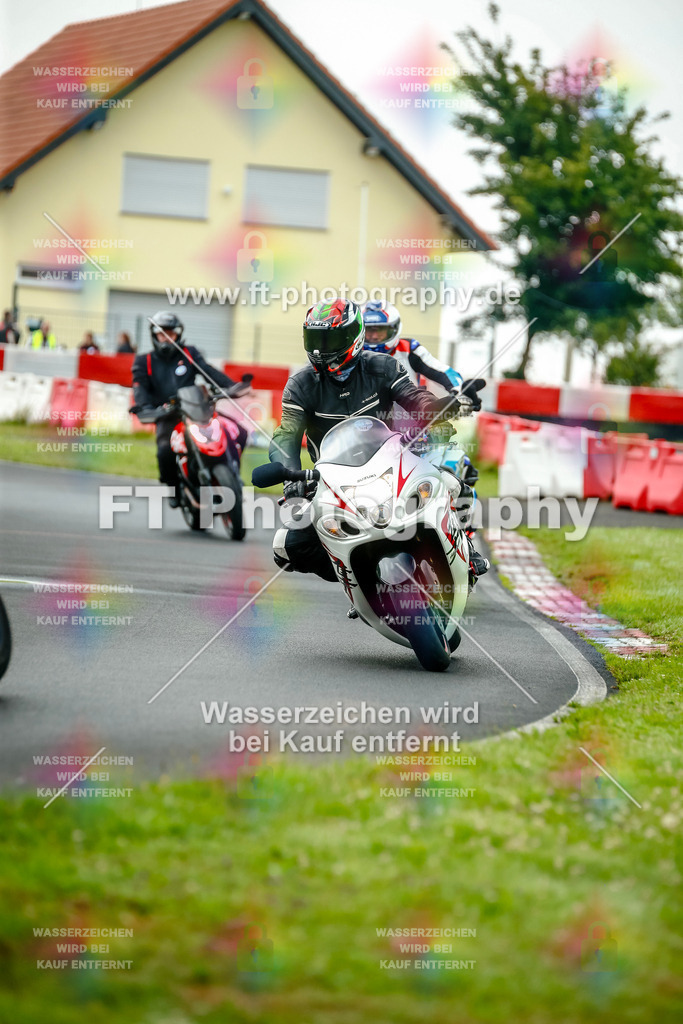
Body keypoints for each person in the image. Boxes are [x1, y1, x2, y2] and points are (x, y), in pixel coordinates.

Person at [269, 297, 489, 583]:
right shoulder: (300, 385)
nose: (320, 349)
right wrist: (291, 478)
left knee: (449, 480)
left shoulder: (383, 366)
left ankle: (464, 548)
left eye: (330, 339)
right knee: (289, 547)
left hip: (392, 460)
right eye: (315, 339)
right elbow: (286, 435)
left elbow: (416, 397)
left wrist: (434, 412)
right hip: (332, 477)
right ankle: (358, 576)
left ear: (352, 337)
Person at [361, 299, 483, 492]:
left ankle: (458, 510)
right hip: (365, 430)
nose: (374, 336)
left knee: (451, 466)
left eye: (380, 330)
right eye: (369, 330)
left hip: (413, 426)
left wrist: (458, 393)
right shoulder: (351, 356)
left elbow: (443, 371)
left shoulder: (409, 349)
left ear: (393, 329)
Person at [131, 311, 243, 508]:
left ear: (177, 334)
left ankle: (233, 475)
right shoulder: (144, 361)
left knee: (238, 432)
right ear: (155, 336)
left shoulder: (189, 352)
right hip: (167, 415)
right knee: (165, 450)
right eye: (162, 334)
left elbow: (207, 370)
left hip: (196, 410)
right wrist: (145, 407)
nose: (166, 338)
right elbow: (139, 386)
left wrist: (230, 386)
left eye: (171, 334)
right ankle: (174, 487)